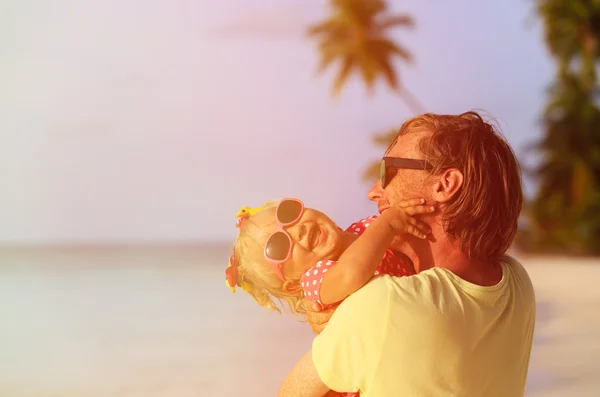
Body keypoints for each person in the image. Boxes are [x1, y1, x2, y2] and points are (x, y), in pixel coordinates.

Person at [278, 111, 536, 397]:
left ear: (444, 185)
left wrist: (343, 323)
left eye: (387, 172)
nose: (374, 192)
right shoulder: (516, 285)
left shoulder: (384, 304)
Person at [225, 198, 434, 397]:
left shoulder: (364, 228)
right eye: (279, 245)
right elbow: (350, 274)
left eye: (288, 213)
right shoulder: (318, 278)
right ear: (293, 284)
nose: (297, 230)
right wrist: (388, 224)